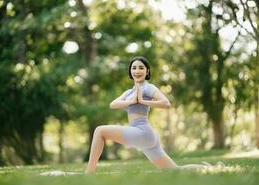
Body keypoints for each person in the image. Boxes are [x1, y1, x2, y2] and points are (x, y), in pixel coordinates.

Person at [85, 56, 220, 174]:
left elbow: (166, 103)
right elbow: (113, 104)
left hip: (143, 132)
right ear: (130, 72)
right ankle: (214, 168)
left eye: (141, 68)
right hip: (145, 137)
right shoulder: (128, 92)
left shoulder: (148, 88)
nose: (137, 71)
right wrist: (132, 100)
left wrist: (143, 100)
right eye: (134, 68)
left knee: (100, 131)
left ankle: (89, 173)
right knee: (175, 170)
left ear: (147, 71)